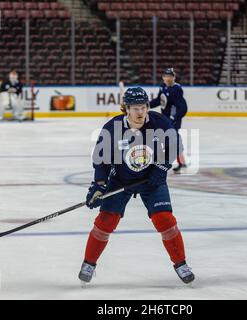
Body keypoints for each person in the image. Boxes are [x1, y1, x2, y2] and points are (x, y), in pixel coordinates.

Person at [78, 87, 195, 285]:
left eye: (143, 107)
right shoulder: (112, 128)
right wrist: (99, 185)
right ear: (126, 109)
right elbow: (102, 161)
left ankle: (181, 264)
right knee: (105, 222)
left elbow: (176, 145)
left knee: (164, 219)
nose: (140, 112)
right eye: (135, 108)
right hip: (120, 180)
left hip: (152, 180)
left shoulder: (159, 122)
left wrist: (162, 166)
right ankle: (88, 264)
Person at [150, 68, 188, 173]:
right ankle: (180, 162)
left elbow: (182, 107)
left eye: (170, 76)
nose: (168, 78)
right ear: (163, 77)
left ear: (174, 77)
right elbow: (159, 100)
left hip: (173, 121)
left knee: (171, 141)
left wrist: (175, 119)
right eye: (166, 76)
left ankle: (177, 162)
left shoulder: (177, 89)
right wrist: (147, 104)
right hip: (164, 119)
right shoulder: (163, 87)